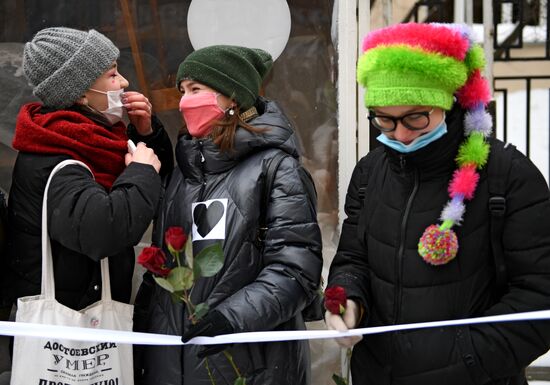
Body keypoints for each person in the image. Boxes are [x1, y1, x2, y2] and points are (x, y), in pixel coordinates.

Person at [325, 22, 550, 385]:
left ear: (450, 103)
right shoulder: (370, 173)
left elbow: (540, 297)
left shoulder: (508, 176)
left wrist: (462, 359)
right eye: (384, 119)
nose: (400, 133)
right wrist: (350, 301)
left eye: (416, 117)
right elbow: (354, 258)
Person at [133, 45, 323, 385]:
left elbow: (296, 271)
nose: (183, 102)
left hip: (248, 365)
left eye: (195, 90)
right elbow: (160, 274)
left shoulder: (277, 169)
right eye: (182, 92)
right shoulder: (182, 173)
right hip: (169, 366)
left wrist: (230, 318)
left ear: (232, 98)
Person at [5, 27, 173, 311]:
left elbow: (158, 185)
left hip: (89, 315)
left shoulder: (96, 139)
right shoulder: (53, 154)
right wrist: (141, 172)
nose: (124, 82)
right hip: (65, 333)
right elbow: (103, 230)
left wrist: (145, 134)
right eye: (112, 74)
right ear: (81, 93)